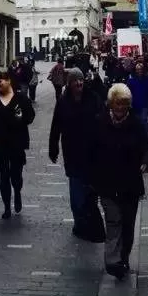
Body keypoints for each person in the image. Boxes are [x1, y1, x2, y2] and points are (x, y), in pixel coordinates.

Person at [89, 84, 148, 279]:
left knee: (128, 224)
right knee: (113, 220)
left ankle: (123, 258)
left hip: (130, 183)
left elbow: (146, 147)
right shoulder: (99, 122)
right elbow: (91, 151)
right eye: (117, 103)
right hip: (107, 182)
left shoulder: (136, 124)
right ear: (111, 103)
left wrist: (145, 162)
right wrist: (91, 176)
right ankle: (112, 261)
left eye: (124, 104)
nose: (121, 108)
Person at [49, 69, 103, 240]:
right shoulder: (63, 101)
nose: (79, 83)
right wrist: (53, 148)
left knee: (91, 191)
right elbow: (56, 125)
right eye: (75, 80)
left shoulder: (93, 98)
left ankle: (89, 222)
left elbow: (103, 120)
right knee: (76, 192)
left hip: (92, 152)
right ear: (69, 83)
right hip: (72, 152)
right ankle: (79, 223)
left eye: (81, 80)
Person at [0, 69, 35, 219]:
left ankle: (17, 192)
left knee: (15, 174)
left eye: (1, 81)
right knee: (4, 174)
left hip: (17, 142)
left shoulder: (21, 98)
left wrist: (20, 118)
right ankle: (7, 207)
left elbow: (30, 116)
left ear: (9, 81)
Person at [127, 61, 148, 136]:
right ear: (136, 70)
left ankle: (145, 137)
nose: (140, 71)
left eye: (141, 69)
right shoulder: (131, 80)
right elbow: (128, 92)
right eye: (138, 69)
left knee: (143, 121)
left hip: (144, 104)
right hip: (134, 105)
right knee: (137, 122)